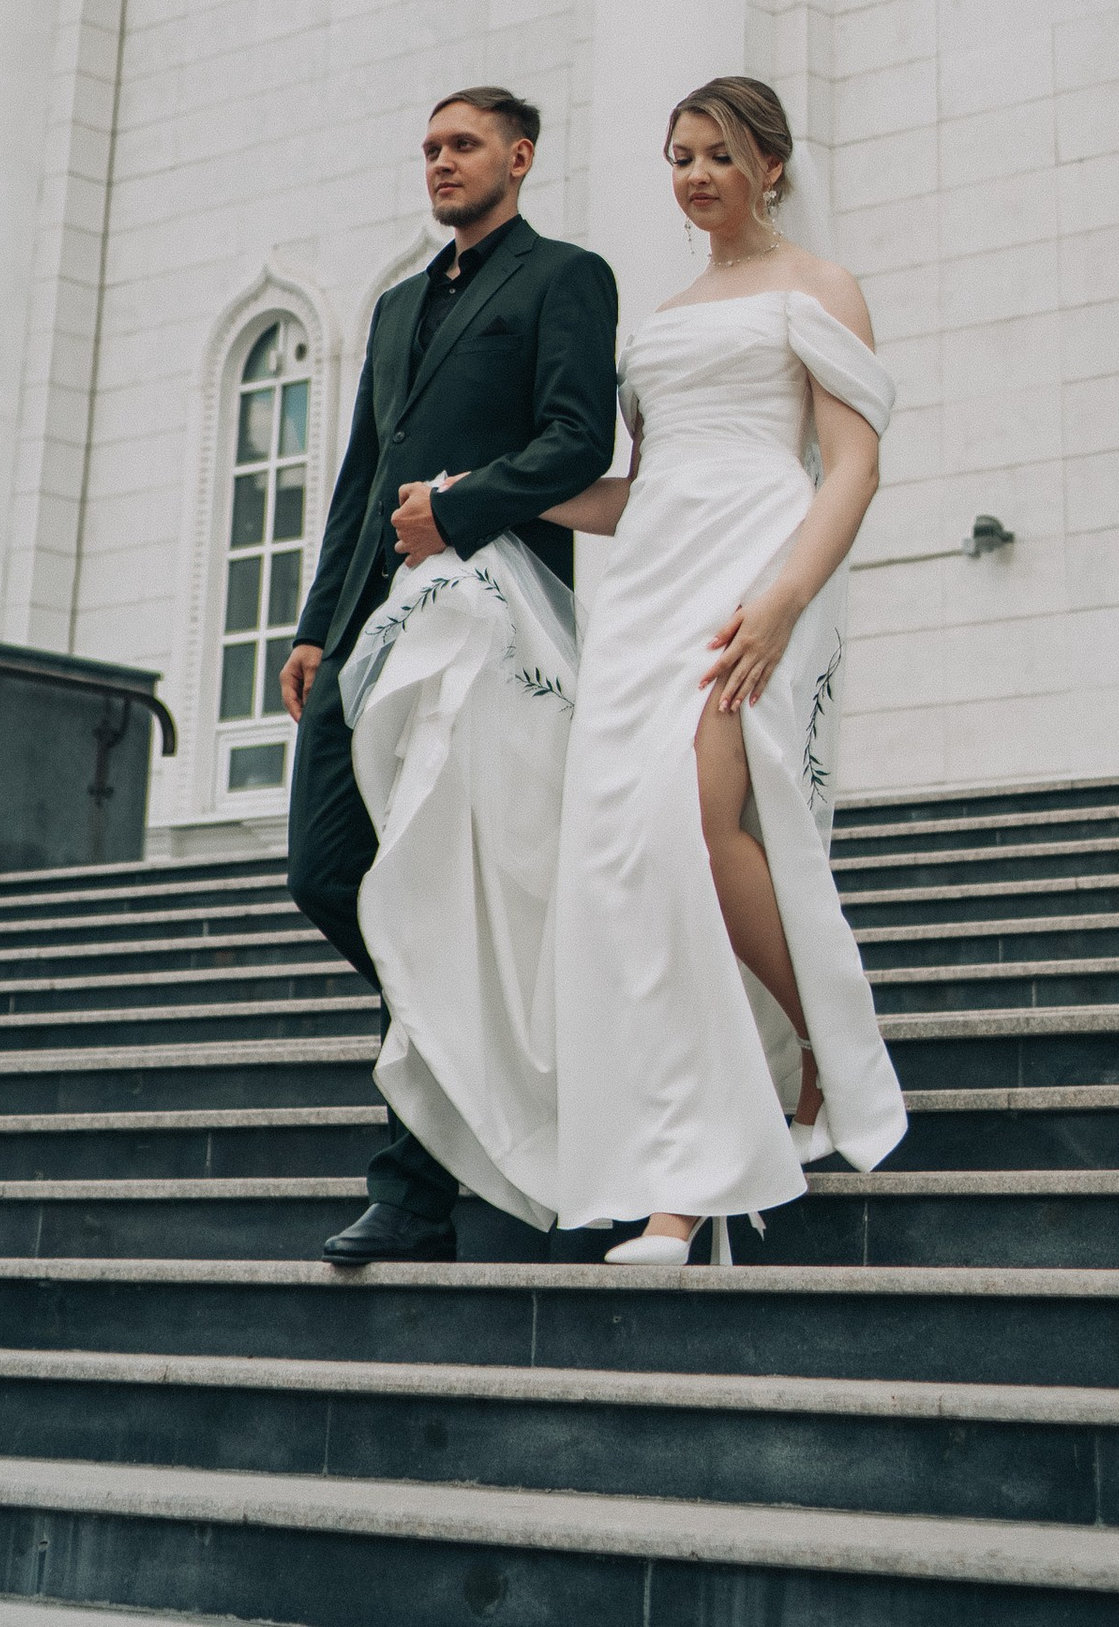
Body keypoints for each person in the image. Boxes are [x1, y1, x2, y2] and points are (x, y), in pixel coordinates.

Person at [544, 77, 906, 1258]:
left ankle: (701, 1173)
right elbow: (637, 493)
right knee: (627, 857)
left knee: (696, 820)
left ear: (771, 165)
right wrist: (493, 495)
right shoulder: (658, 320)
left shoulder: (820, 287)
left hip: (754, 567)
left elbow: (851, 465)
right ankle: (802, 1060)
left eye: (717, 154)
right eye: (679, 157)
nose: (695, 175)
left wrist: (780, 602)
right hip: (648, 588)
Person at [282, 86, 617, 1267]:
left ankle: (414, 1195)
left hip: (483, 626)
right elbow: (360, 479)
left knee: (440, 882)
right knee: (324, 874)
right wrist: (315, 626)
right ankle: (476, 1058)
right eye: (429, 146)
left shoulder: (564, 278)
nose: (440, 161)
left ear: (519, 158)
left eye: (463, 144)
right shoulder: (391, 309)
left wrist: (462, 506)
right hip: (365, 634)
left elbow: (578, 439)